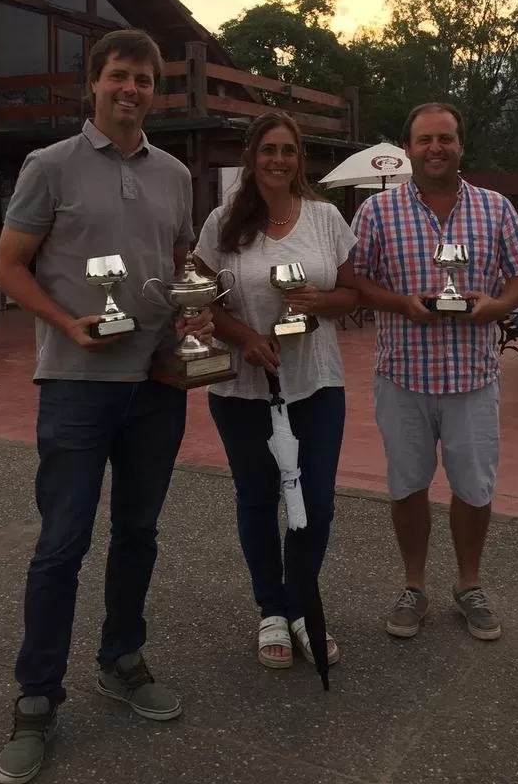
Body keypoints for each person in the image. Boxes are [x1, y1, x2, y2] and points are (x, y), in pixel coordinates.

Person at [0, 29, 214, 784]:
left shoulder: (177, 174)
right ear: (94, 84)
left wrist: (191, 320)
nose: (132, 89)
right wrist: (64, 323)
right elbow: (8, 267)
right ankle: (36, 696)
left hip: (155, 385)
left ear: (157, 90)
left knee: (139, 533)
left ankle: (121, 656)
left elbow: (181, 264)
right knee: (61, 544)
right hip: (77, 384)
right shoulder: (48, 166)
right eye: (119, 76)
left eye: (144, 79)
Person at [352, 102, 518, 643]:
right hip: (403, 377)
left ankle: (469, 585)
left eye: (446, 139)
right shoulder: (378, 212)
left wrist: (495, 306)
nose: (436, 148)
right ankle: (413, 585)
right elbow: (358, 281)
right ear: (407, 148)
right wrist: (400, 303)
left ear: (461, 145)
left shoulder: (495, 208)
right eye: (425, 139)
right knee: (407, 486)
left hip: (472, 379)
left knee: (474, 489)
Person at [194, 111, 358, 671]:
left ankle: (301, 606)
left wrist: (317, 301)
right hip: (243, 388)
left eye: (288, 150)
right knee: (259, 499)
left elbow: (354, 293)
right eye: (268, 150)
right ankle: (270, 608)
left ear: (300, 159)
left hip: (315, 382)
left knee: (316, 502)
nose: (279, 160)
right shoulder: (223, 222)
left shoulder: (326, 218)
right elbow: (198, 296)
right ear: (252, 156)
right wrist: (241, 336)